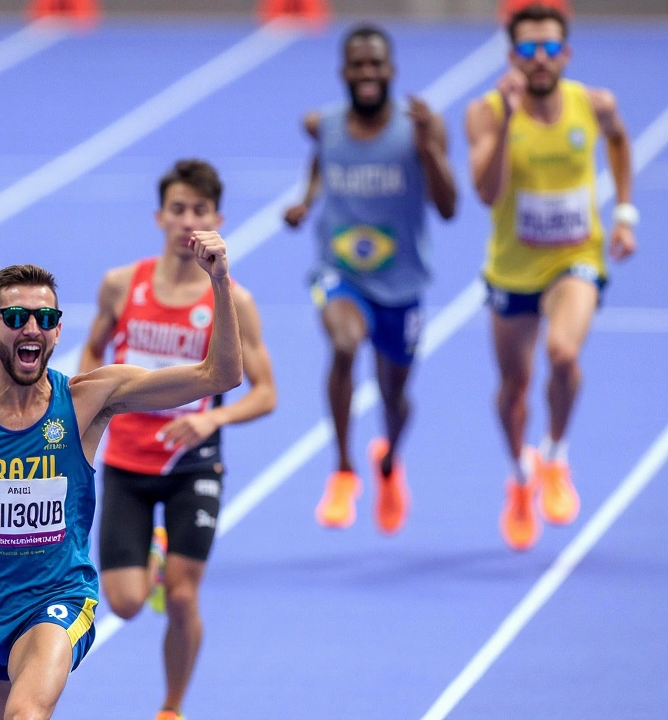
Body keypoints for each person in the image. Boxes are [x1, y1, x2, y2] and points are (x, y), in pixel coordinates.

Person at [0, 248, 242, 720]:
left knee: (26, 714)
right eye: (16, 317)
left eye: (44, 317)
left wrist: (220, 281)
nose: (31, 327)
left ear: (57, 330)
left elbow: (219, 375)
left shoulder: (88, 401)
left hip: (56, 600)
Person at [78, 159, 276, 720]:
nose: (187, 220)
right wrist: (97, 405)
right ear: (159, 216)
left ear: (218, 219)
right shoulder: (122, 285)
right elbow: (92, 353)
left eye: (200, 210)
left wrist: (211, 420)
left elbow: (265, 393)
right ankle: (155, 557)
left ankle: (171, 707)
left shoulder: (232, 300)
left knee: (184, 597)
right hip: (126, 460)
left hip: (194, 462)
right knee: (126, 602)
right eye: (178, 209)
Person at [465, 3, 636, 551]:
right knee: (514, 388)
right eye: (529, 50)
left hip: (574, 258)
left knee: (563, 354)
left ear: (566, 53)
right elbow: (486, 192)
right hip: (513, 268)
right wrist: (510, 119)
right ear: (513, 57)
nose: (541, 60)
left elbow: (620, 142)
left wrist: (625, 214)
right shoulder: (487, 112)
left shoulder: (595, 104)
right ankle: (520, 474)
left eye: (550, 48)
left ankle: (556, 456)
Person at [284, 24, 457, 535]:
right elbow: (321, 162)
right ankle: (342, 468)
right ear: (343, 72)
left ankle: (388, 460)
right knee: (344, 342)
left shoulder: (421, 127)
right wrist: (306, 199)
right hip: (339, 271)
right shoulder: (322, 124)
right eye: (357, 65)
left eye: (375, 65)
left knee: (394, 395)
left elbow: (449, 208)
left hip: (402, 282)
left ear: (391, 71)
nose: (366, 74)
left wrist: (428, 149)